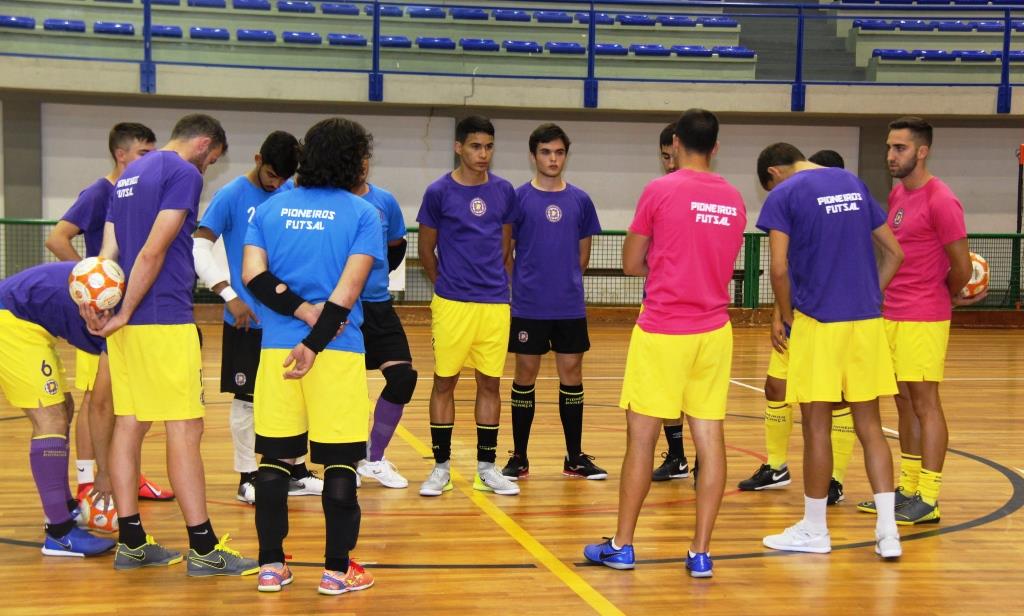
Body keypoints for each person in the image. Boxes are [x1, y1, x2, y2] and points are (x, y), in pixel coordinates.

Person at [85, 113, 257, 575]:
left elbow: (108, 252)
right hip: (162, 317)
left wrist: (102, 304)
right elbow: (153, 250)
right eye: (211, 160)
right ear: (203, 144)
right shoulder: (182, 172)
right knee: (185, 429)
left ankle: (132, 543)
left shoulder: (129, 173)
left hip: (128, 322)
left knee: (130, 424)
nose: (207, 169)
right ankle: (203, 548)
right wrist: (125, 310)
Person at [584, 109, 745, 578]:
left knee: (641, 440)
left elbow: (630, 262)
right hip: (714, 331)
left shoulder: (659, 190)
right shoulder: (734, 198)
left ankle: (622, 545)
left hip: (663, 329)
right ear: (716, 147)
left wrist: (666, 261)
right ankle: (700, 553)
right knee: (710, 438)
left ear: (675, 143)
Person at [242, 117, 382, 595]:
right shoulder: (362, 214)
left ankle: (270, 566)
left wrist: (299, 315)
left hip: (277, 352)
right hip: (336, 353)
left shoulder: (269, 210)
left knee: (275, 459)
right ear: (354, 161)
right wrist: (315, 342)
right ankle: (336, 572)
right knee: (340, 462)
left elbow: (254, 277)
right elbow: (346, 294)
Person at [755, 142, 905, 559]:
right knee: (870, 425)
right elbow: (895, 253)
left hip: (818, 323)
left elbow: (779, 268)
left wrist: (787, 315)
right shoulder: (852, 182)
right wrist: (870, 295)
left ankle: (815, 529)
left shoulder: (785, 193)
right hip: (866, 321)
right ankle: (888, 532)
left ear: (774, 173)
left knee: (816, 426)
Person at [857, 117, 980, 525]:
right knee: (904, 401)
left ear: (922, 151)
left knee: (926, 403)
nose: (890, 156)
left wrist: (943, 295)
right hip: (892, 312)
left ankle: (929, 496)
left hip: (923, 316)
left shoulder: (942, 200)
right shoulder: (898, 193)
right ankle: (907, 489)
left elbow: (961, 266)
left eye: (900, 148)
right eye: (889, 147)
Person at [45, 122, 174, 509]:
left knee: (125, 401)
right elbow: (57, 237)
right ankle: (88, 481)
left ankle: (127, 474)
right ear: (121, 154)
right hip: (100, 314)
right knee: (95, 399)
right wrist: (92, 282)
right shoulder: (100, 191)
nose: (150, 160)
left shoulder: (135, 192)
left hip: (129, 312)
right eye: (143, 153)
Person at [194, 130, 324, 504]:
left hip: (288, 318)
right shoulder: (231, 195)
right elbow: (199, 246)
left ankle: (295, 471)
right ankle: (247, 475)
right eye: (271, 175)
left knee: (293, 393)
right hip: (246, 318)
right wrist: (229, 294)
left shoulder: (291, 193)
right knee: (246, 399)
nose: (276, 184)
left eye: (284, 178)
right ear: (257, 160)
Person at [738, 146, 856, 505]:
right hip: (796, 316)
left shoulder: (846, 214)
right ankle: (776, 466)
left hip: (832, 319)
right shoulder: (799, 206)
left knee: (835, 400)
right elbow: (785, 267)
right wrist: (779, 313)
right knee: (775, 387)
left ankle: (834, 479)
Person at [416, 115, 519, 497]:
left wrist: (497, 287)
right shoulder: (438, 191)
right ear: (458, 147)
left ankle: (486, 469)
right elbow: (426, 250)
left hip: (494, 305)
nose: (483, 153)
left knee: (490, 383)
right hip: (452, 305)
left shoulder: (504, 191)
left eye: (489, 146)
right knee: (444, 382)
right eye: (476, 146)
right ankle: (440, 468)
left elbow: (505, 247)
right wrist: (447, 286)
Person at [501, 123, 605, 481]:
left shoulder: (580, 200)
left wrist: (564, 283)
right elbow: (507, 253)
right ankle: (519, 457)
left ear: (566, 156)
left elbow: (582, 257)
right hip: (529, 306)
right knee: (524, 375)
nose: (553, 159)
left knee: (572, 375)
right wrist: (522, 287)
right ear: (534, 156)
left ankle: (574, 457)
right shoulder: (517, 199)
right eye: (546, 152)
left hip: (569, 306)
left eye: (559, 152)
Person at [0, 262, 118, 558]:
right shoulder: (118, 326)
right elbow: (101, 406)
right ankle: (59, 533)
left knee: (63, 406)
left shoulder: (119, 302)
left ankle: (64, 509)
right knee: (50, 419)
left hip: (28, 317)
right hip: (12, 318)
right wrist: (104, 472)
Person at [351, 159, 418, 489]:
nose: (360, 166)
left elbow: (396, 245)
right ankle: (346, 462)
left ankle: (373, 458)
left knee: (403, 378)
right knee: (347, 387)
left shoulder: (384, 201)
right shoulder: (331, 201)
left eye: (364, 160)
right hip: (344, 308)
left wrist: (375, 277)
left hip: (378, 306)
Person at [652, 121, 692, 483]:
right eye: (664, 157)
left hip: (698, 314)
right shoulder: (661, 193)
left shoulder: (709, 195)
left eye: (673, 156)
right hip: (663, 310)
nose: (669, 164)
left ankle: (703, 458)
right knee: (667, 391)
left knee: (696, 393)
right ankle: (678, 457)